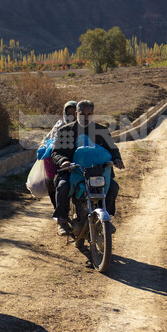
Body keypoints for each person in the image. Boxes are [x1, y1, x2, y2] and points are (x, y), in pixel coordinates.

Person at [51, 100, 125, 235]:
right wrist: (63, 161)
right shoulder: (65, 131)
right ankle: (62, 220)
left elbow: (113, 149)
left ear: (93, 114)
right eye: (82, 113)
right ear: (75, 113)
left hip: (97, 171)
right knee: (62, 186)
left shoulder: (101, 131)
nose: (86, 117)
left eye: (89, 114)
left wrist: (117, 159)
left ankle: (106, 218)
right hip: (72, 170)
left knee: (113, 187)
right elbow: (56, 152)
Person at [41, 101, 78, 208]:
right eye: (69, 113)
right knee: (52, 182)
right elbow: (49, 141)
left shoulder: (83, 126)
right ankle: (57, 208)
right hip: (60, 158)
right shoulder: (60, 126)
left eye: (74, 112)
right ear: (65, 114)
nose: (72, 115)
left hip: (77, 159)